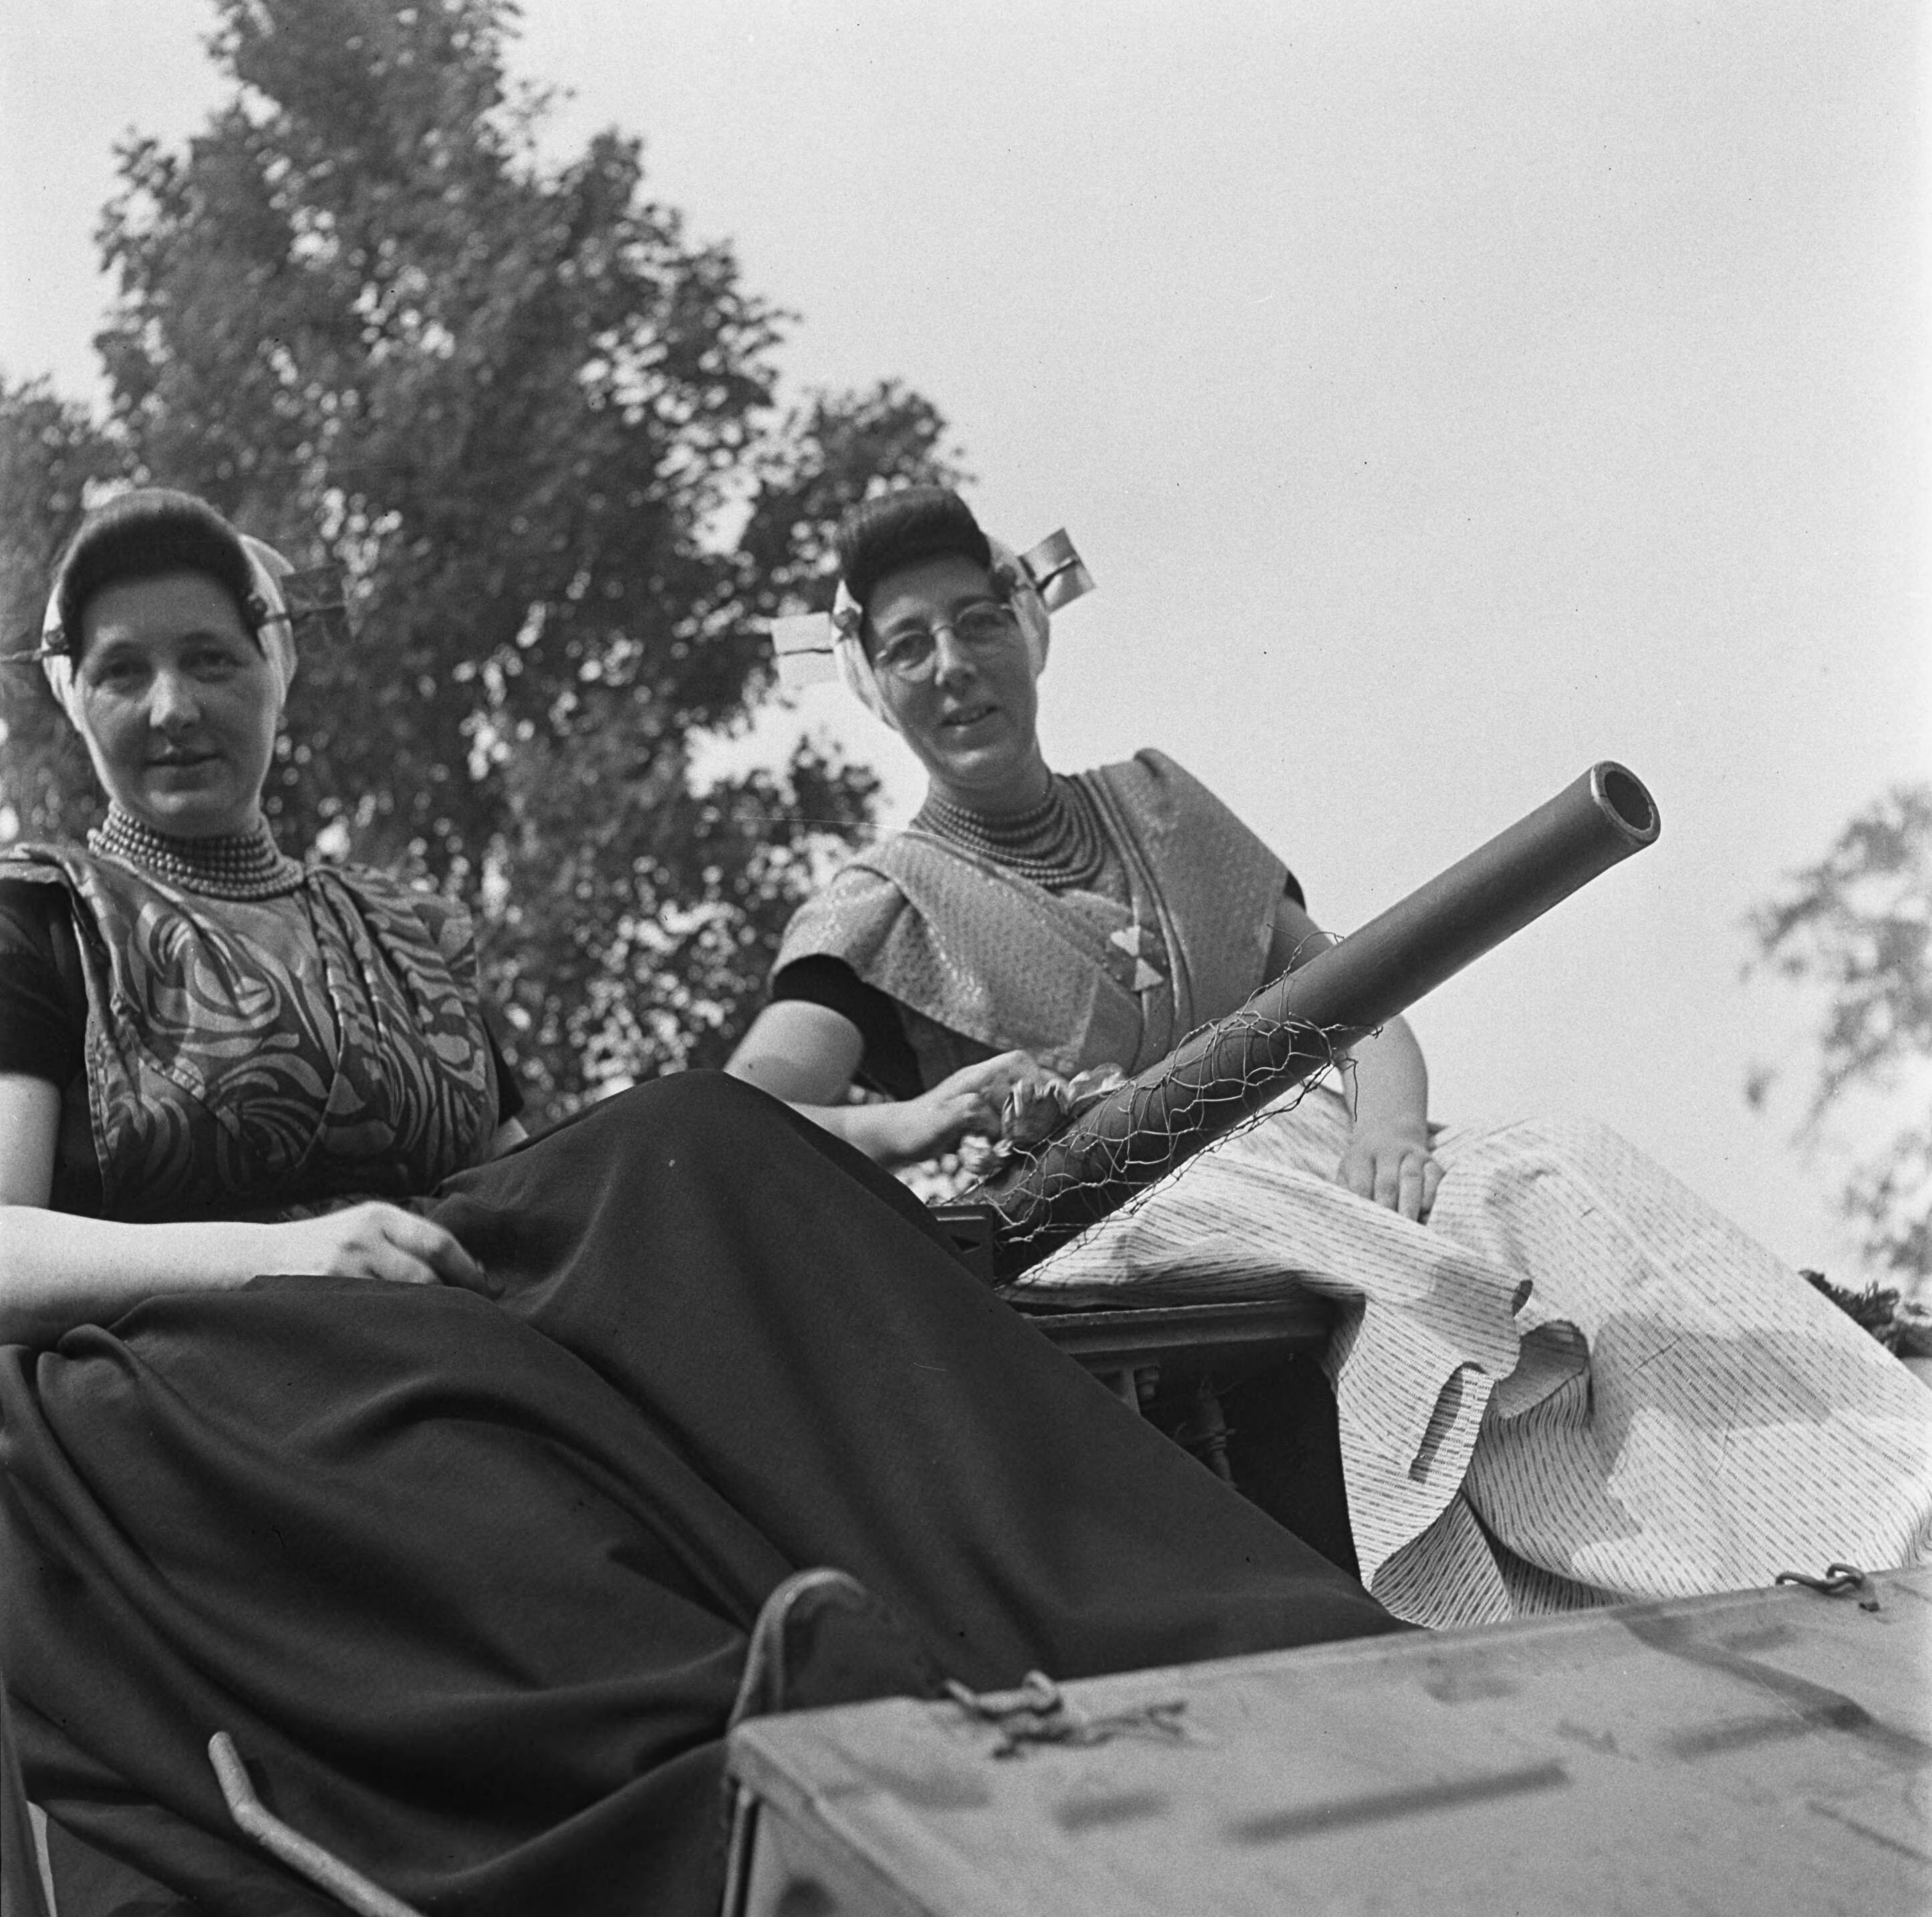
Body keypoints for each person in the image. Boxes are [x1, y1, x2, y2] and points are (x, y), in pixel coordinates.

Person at [0, 490, 1403, 1917]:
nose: (172, 705)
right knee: (445, 1384)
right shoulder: (39, 917)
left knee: (690, 1135)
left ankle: (1176, 1617)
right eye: (123, 670)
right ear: (69, 693)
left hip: (415, 1289)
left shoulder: (403, 935)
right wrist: (281, 1253)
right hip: (180, 1359)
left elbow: (526, 1174)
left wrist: (889, 1127)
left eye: (211, 657)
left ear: (276, 663)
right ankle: (729, 1729)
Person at [728, 484, 1932, 1628]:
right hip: (1117, 1222)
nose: (952, 663)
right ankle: (1580, 1591)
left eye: (978, 621)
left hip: (1313, 1156)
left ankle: (1876, 1510)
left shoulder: (1159, 804)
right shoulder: (885, 901)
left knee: (1549, 1167)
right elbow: (739, 1119)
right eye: (908, 645)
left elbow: (1362, 1000)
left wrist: (1390, 1129)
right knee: (1418, 1282)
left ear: (1029, 631)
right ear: (872, 684)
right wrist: (914, 1121)